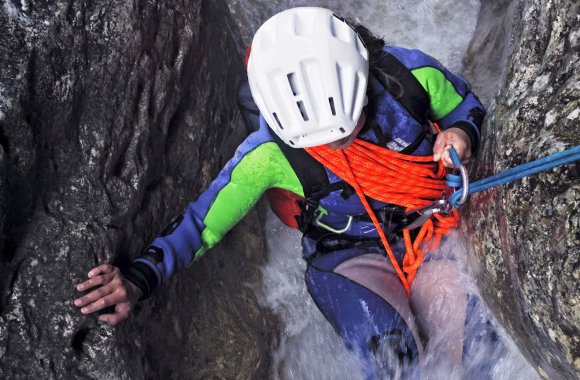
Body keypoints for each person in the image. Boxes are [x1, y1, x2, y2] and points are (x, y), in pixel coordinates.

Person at [74, 7, 498, 379]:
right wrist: (137, 279)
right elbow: (203, 222)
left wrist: (461, 133)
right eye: (325, 141)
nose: (340, 146)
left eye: (350, 125)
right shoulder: (267, 153)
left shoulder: (409, 77)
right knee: (393, 360)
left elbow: (465, 105)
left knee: (477, 350)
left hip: (429, 227)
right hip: (349, 255)